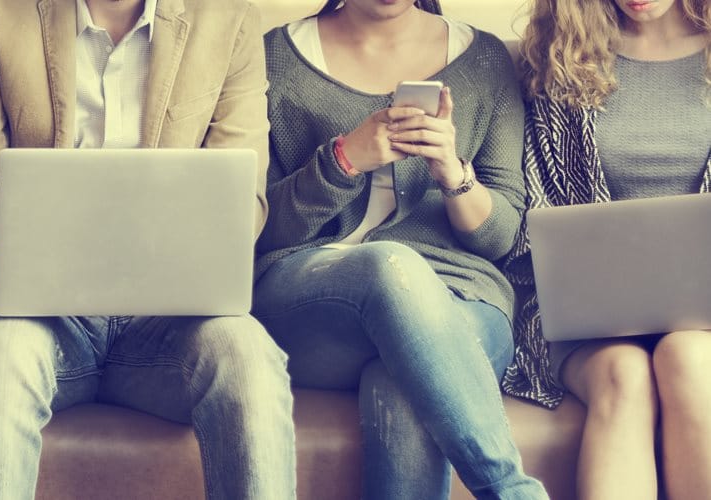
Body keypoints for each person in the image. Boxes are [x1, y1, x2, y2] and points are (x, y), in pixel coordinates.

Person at [0, 0, 296, 497]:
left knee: (249, 358)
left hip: (170, 317)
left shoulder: (228, 16)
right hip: (40, 310)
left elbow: (242, 197)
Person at [253, 0, 548, 498]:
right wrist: (345, 160)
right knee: (391, 264)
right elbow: (261, 227)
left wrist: (452, 173)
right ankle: (511, 490)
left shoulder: (485, 60)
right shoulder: (276, 58)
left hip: (461, 297)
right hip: (314, 297)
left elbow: (499, 239)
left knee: (406, 382)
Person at [502, 0, 711, 498]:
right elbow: (537, 208)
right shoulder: (562, 59)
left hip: (704, 319)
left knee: (687, 356)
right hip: (589, 318)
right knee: (625, 375)